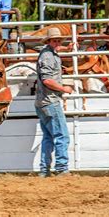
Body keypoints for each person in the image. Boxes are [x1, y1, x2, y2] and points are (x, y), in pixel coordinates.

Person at [35, 28, 74, 178]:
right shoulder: (48, 57)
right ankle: (62, 168)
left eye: (59, 40)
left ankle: (44, 169)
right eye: (55, 40)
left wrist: (66, 48)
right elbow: (47, 80)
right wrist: (64, 88)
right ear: (49, 41)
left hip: (42, 102)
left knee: (48, 137)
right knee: (62, 135)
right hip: (50, 101)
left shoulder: (47, 52)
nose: (57, 42)